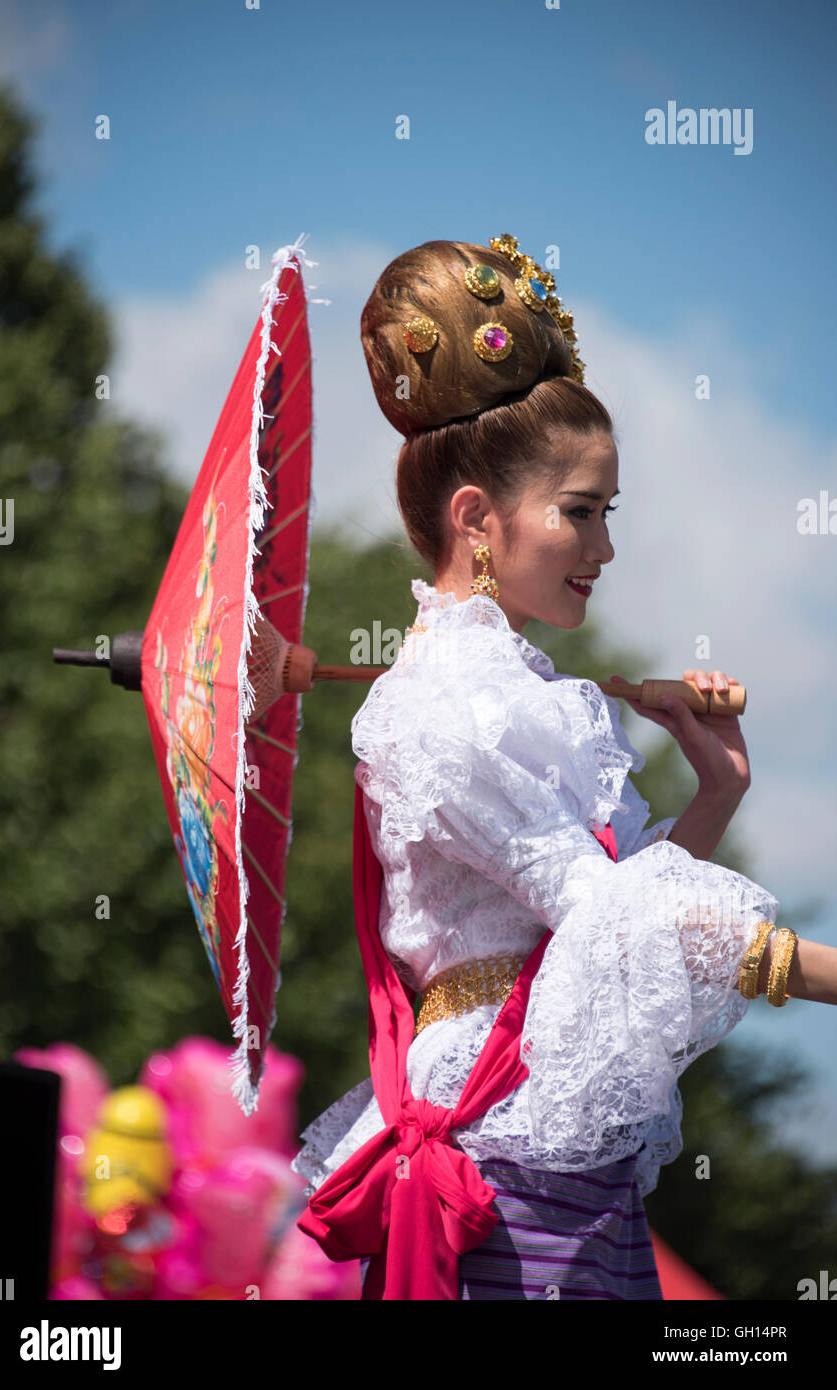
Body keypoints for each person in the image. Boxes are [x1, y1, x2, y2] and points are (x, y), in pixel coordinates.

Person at [290, 234, 837, 1301]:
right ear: (476, 519)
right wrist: (822, 973)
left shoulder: (516, 698)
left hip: (555, 1158)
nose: (605, 547)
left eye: (607, 514)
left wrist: (715, 793)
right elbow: (615, 918)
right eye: (580, 512)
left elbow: (617, 914)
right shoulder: (437, 707)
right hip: (503, 1156)